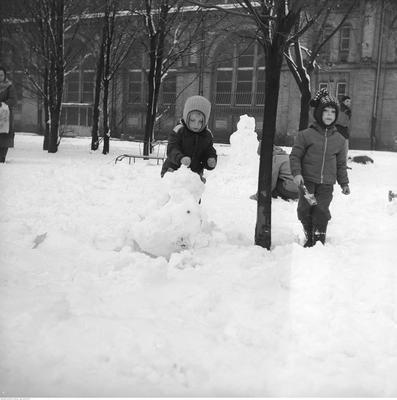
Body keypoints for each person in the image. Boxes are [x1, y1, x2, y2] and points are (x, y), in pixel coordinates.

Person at [289, 88, 350, 247]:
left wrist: (344, 183)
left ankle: (319, 239)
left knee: (321, 210)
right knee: (305, 209)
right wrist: (296, 173)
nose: (329, 115)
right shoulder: (305, 135)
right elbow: (295, 156)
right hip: (307, 183)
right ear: (319, 113)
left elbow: (341, 164)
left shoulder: (339, 140)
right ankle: (309, 234)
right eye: (326, 111)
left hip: (326, 184)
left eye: (333, 112)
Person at [161, 95, 217, 183]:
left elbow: (208, 151)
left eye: (200, 121)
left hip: (193, 176)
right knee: (176, 195)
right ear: (186, 116)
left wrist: (210, 159)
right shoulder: (179, 130)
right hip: (174, 171)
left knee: (191, 196)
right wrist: (181, 158)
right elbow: (172, 149)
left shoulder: (207, 135)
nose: (196, 125)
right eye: (192, 120)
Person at [0, 66, 17, 163]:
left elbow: (14, 100)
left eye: (1, 75)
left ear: (5, 76)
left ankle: (2, 157)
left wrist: (2, 104)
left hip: (5, 116)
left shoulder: (9, 86)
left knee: (4, 136)